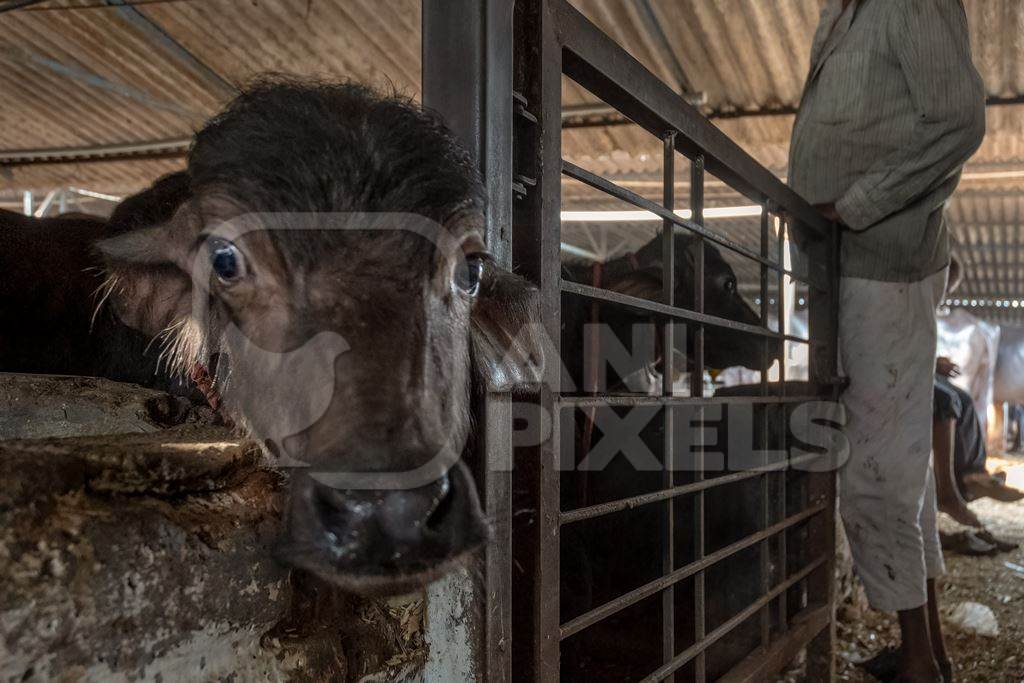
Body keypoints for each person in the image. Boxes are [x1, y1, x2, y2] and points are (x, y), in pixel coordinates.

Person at [788, 1, 986, 681]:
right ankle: (926, 651)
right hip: (853, 263)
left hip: (880, 261)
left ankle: (921, 667)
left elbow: (959, 120)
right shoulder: (845, 13)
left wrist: (859, 204)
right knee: (903, 476)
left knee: (873, 478)